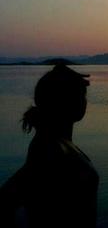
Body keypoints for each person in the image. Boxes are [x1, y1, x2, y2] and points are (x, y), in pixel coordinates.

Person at [0, 64, 99, 227]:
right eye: (80, 94)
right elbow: (5, 200)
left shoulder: (59, 142)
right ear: (61, 101)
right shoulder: (49, 148)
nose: (85, 100)